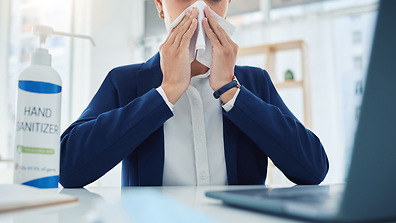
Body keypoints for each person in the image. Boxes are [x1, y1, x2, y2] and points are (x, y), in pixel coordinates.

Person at [60, 0, 329, 188]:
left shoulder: (255, 82)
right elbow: (68, 168)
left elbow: (313, 169)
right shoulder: (126, 82)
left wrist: (231, 92)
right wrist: (166, 93)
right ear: (160, 6)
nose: (199, 11)